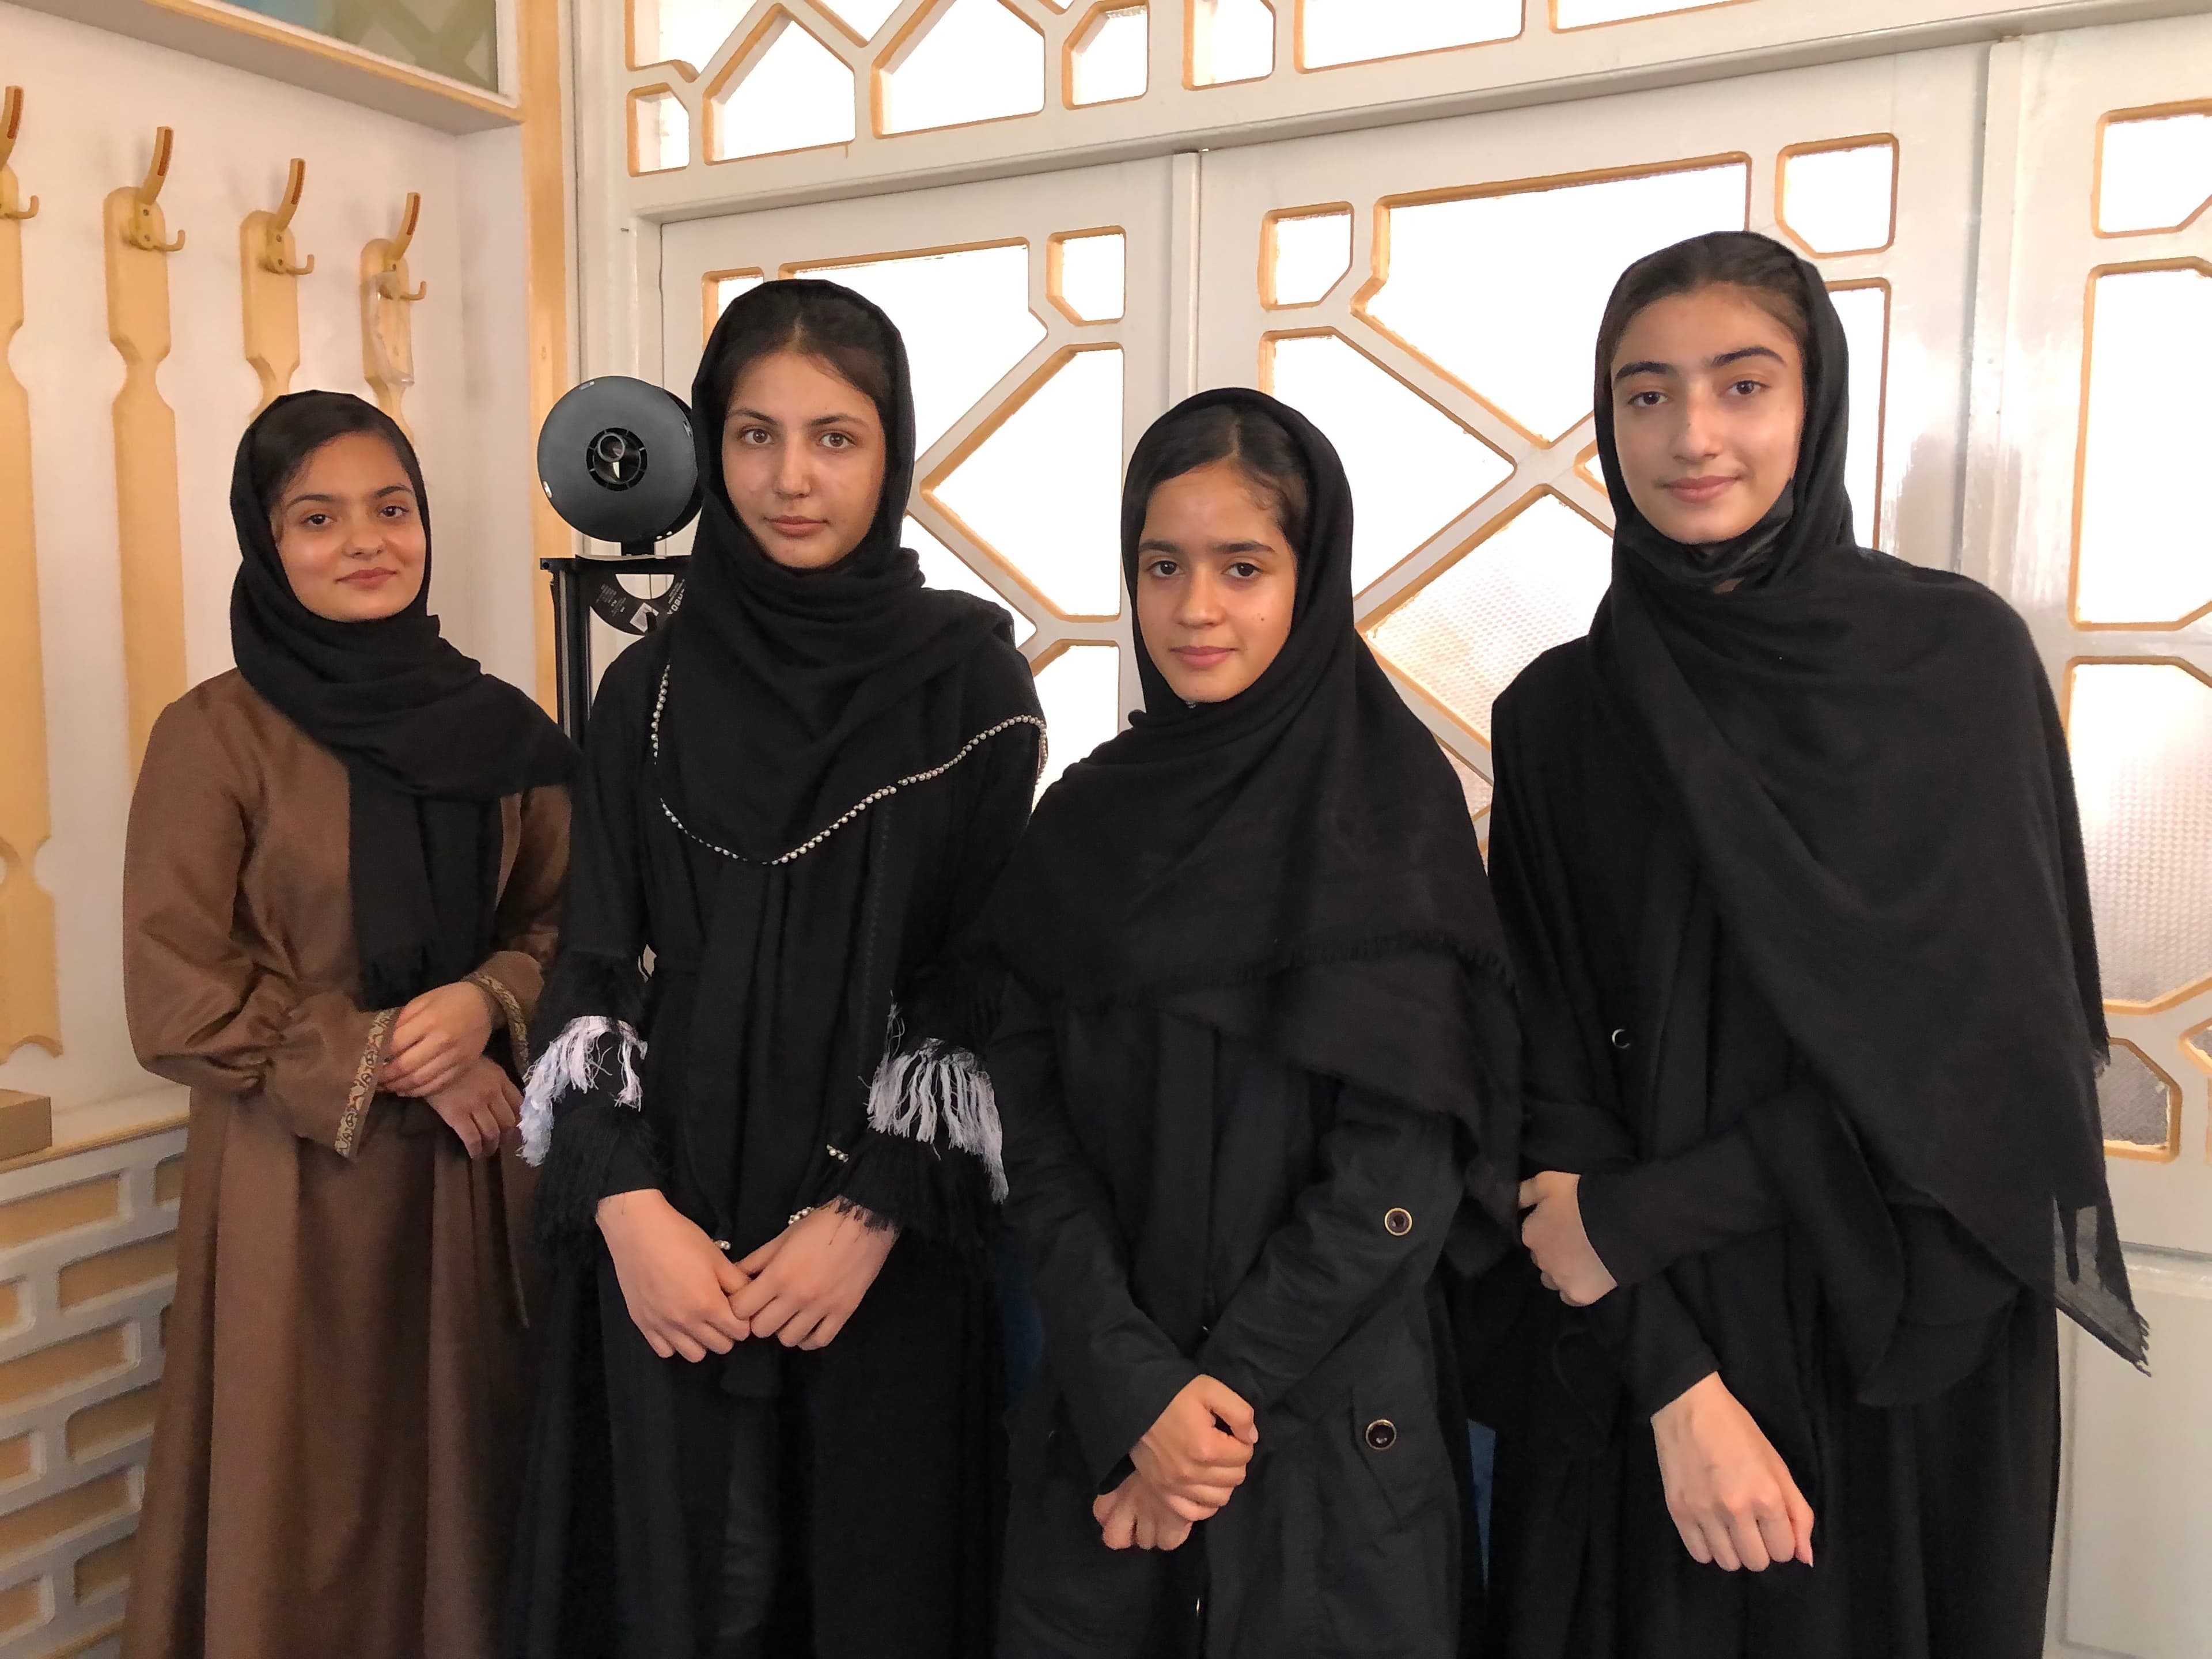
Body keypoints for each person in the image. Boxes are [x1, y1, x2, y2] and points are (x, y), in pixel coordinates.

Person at [1483, 229, 2147, 1658]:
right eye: (1645, 395)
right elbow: (1542, 1054)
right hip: (1641, 1348)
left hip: (1900, 1318)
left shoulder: (1950, 666)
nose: (1692, 435)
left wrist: (1639, 1220)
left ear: (1817, 402)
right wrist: (1669, 1376)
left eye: (1743, 384)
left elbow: (1987, 1073)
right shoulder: (1561, 715)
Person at [506, 279, 1044, 1659]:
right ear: (709, 447)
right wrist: (629, 1213)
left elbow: (982, 988)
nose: (791, 478)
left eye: (835, 437)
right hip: (672, 1242)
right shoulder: (654, 686)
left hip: (874, 1248)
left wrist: (866, 1218)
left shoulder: (971, 689)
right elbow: (593, 963)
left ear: (893, 448)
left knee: (869, 1583)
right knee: (690, 1588)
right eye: (754, 436)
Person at [988, 389, 1521, 1659]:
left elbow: (1405, 1167)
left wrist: (1209, 1410)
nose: (1194, 610)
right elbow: (1032, 1135)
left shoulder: (1389, 821)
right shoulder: (1083, 826)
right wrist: (1139, 1393)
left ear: (1313, 575)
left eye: (1244, 567)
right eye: (1162, 567)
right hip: (1107, 1428)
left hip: (1331, 1450)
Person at [122, 391, 576, 1659]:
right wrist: (389, 1057)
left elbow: (566, 926)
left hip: (484, 1182)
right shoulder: (214, 738)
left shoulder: (503, 731)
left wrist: (486, 1002)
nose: (367, 542)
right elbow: (174, 987)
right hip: (300, 1187)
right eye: (318, 518)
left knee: (478, 1469)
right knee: (309, 1492)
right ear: (267, 544)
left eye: (393, 509)